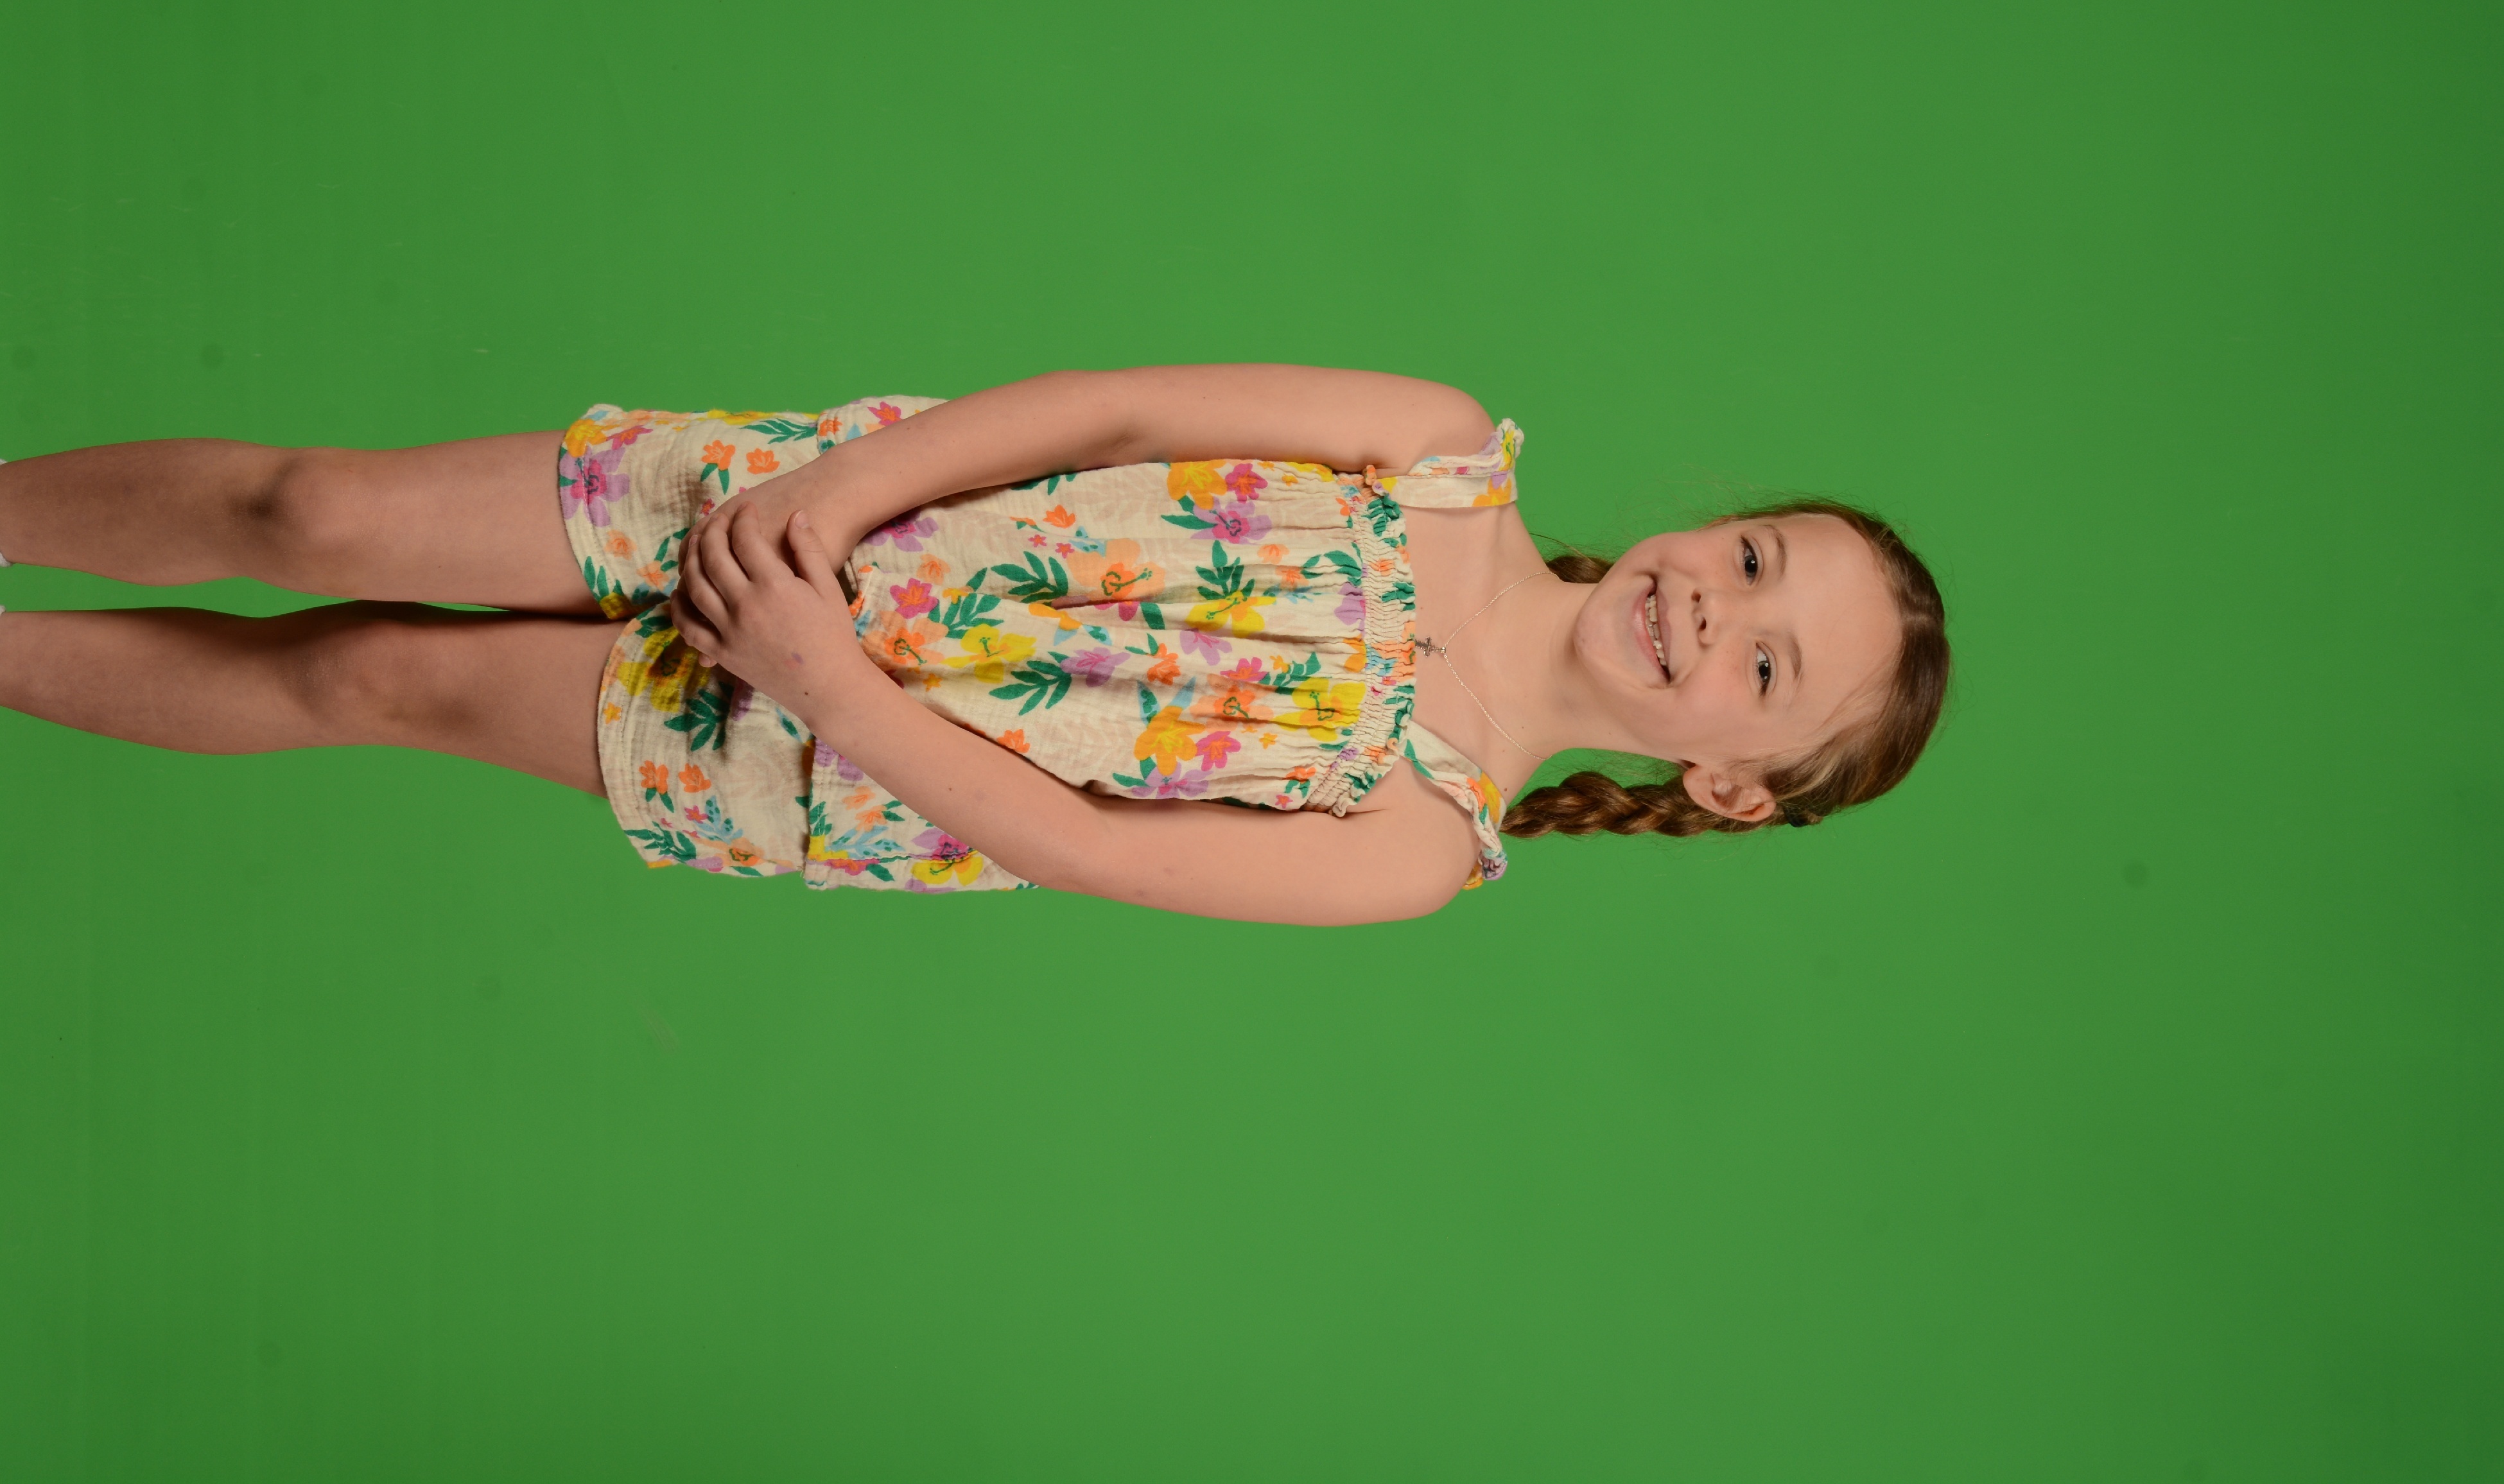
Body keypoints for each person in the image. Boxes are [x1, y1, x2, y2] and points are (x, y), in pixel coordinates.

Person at [0, 365, 1949, 924]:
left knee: (369, 675)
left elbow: (1088, 848)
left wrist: (821, 681)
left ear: (1726, 781)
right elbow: (1112, 412)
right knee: (317, 516)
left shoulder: (1423, 839)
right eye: (1758, 557)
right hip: (815, 515)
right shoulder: (1440, 453)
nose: (1721, 608)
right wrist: (832, 502)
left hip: (814, 741)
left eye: (1769, 670)